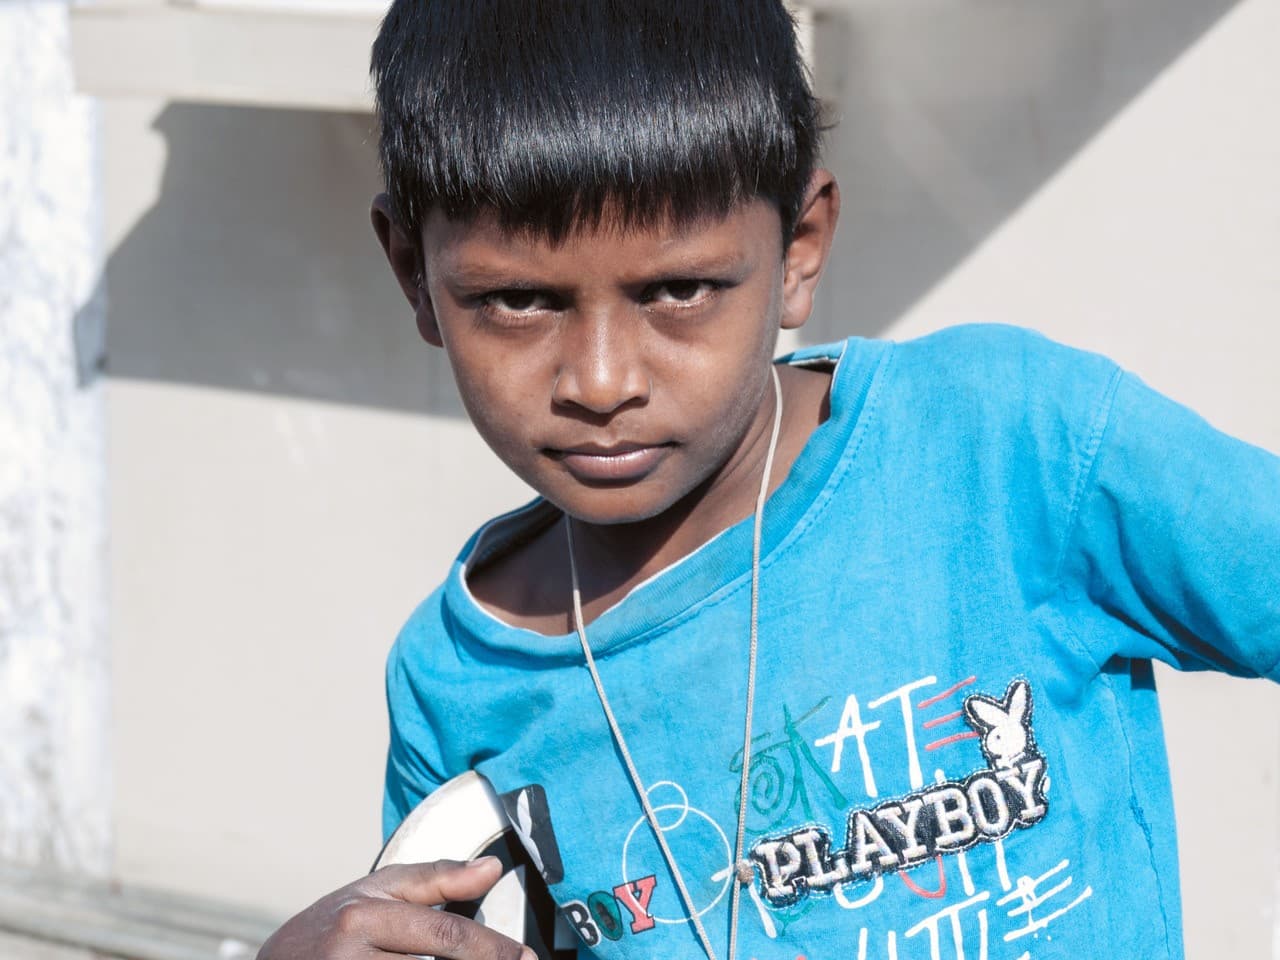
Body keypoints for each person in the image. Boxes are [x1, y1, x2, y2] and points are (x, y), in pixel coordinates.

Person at [257, 1, 1280, 958]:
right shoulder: (461, 676)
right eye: (518, 301)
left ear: (797, 249)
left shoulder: (1006, 445)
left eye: (678, 290)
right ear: (413, 277)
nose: (601, 381)